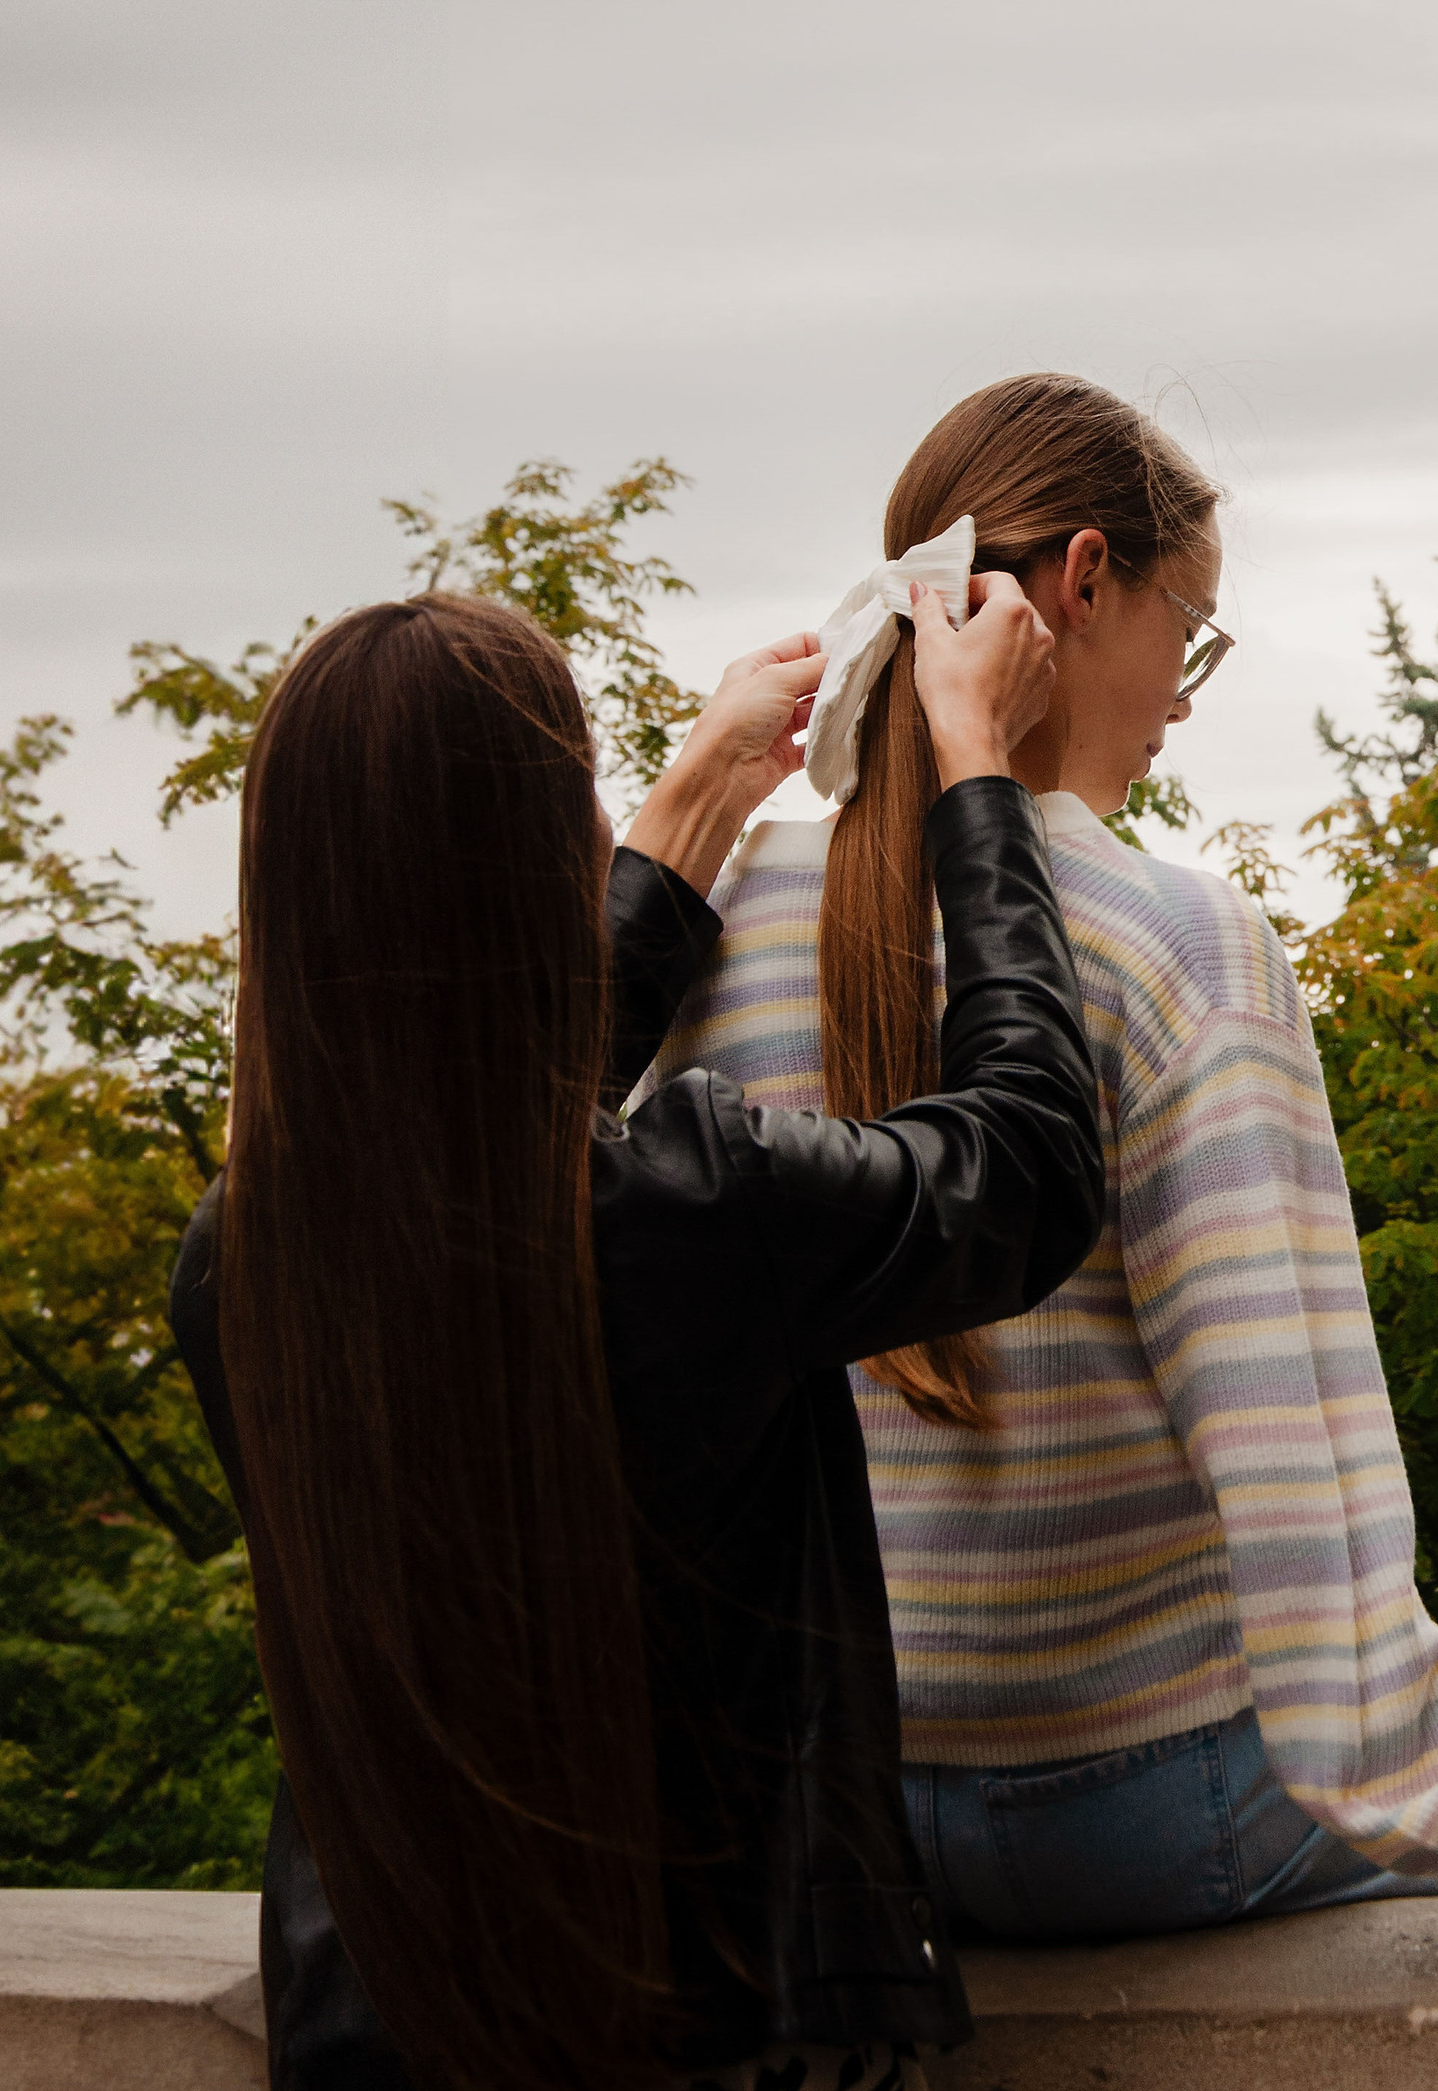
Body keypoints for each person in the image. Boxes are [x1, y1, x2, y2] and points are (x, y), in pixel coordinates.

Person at [649, 374, 1438, 1949]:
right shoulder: (1171, 943)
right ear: (1085, 582)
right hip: (1130, 1810)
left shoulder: (717, 923)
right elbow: (1285, 1439)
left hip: (829, 1805)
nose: (1185, 698)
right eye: (1188, 632)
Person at [170, 570, 1104, 2091]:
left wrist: (701, 794)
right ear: (542, 861)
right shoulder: (696, 1208)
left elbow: (479, 1141)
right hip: (726, 2043)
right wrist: (974, 769)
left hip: (375, 2039)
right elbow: (1028, 1163)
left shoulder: (241, 1265)